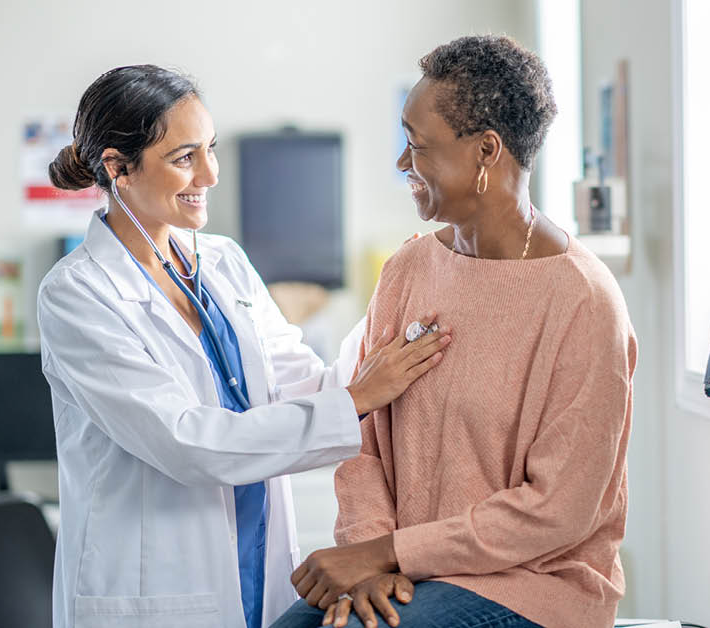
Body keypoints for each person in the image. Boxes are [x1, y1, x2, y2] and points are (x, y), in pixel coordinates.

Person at [38, 65, 451, 628]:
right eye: (184, 158)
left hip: (257, 571)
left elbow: (312, 386)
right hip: (150, 595)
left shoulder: (223, 261)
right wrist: (356, 399)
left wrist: (395, 294)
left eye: (209, 149)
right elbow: (188, 443)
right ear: (118, 168)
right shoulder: (77, 293)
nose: (209, 174)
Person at [272, 35, 637, 628]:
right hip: (410, 571)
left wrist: (391, 553)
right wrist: (370, 556)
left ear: (487, 150)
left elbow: (559, 510)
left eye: (417, 146)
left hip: (532, 584)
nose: (402, 163)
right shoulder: (408, 269)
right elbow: (364, 438)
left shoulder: (584, 301)